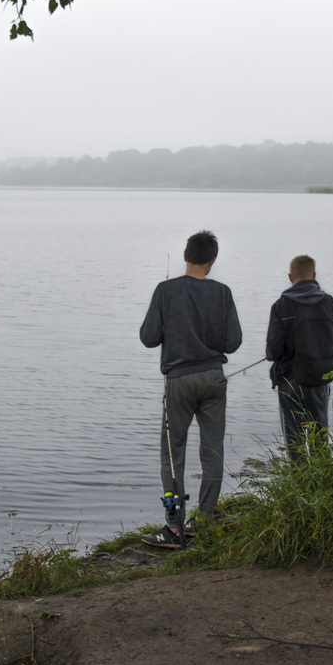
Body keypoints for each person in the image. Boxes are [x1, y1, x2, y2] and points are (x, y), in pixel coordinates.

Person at [137, 230, 242, 548]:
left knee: (172, 457)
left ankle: (172, 528)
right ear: (212, 260)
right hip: (213, 378)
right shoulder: (223, 292)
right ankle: (205, 520)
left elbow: (148, 338)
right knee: (212, 452)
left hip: (179, 381)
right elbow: (233, 343)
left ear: (185, 256)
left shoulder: (165, 290)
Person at [265, 254, 333, 462]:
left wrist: (272, 356)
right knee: (320, 433)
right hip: (320, 378)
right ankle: (323, 479)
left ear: (291, 277)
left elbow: (273, 350)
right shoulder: (332, 304)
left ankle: (300, 484)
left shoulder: (281, 306)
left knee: (294, 437)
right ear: (314, 275)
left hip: (290, 379)